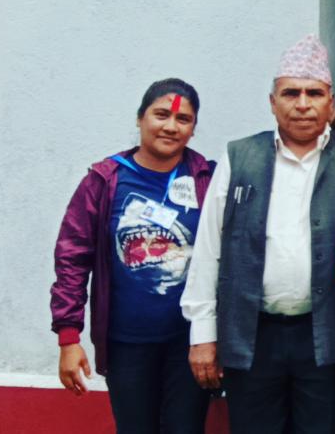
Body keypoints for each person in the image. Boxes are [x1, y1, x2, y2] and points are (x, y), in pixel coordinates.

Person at [181, 35, 335, 434]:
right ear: (272, 102)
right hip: (252, 336)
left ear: (331, 102)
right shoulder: (239, 156)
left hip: (328, 338)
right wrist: (203, 334)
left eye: (314, 93)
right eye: (290, 93)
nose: (302, 104)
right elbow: (209, 250)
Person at [51, 79, 213, 433]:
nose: (171, 126)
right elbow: (72, 259)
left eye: (183, 119)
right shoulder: (105, 180)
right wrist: (68, 337)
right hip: (127, 343)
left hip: (190, 343)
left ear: (193, 128)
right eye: (161, 115)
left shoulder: (207, 179)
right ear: (140, 118)